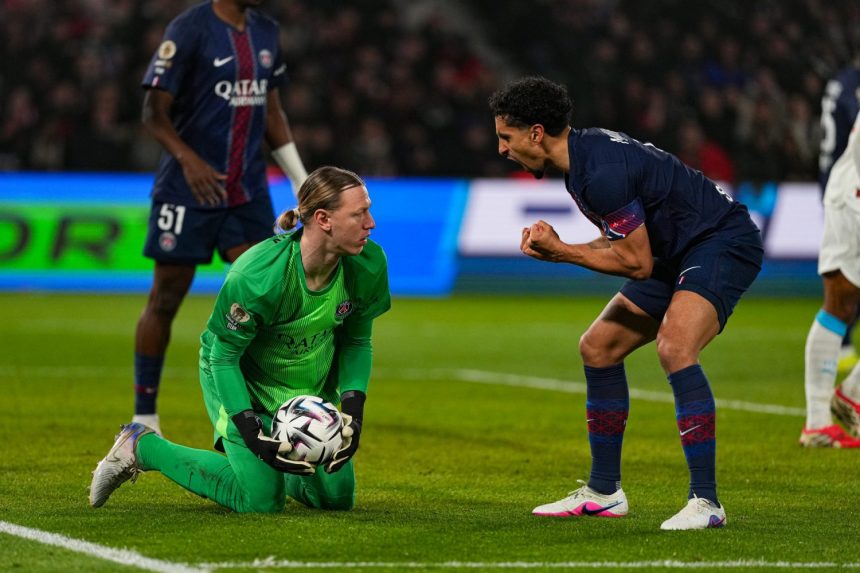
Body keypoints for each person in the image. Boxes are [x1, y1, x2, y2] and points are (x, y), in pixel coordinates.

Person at [489, 76, 764, 530]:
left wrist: (562, 253)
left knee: (675, 347)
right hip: (671, 250)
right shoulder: (584, 160)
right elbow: (620, 241)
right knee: (598, 347)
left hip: (720, 241)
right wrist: (564, 247)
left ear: (535, 133)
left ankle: (707, 502)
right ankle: (603, 492)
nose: (502, 149)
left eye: (506, 136)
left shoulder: (598, 172)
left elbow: (634, 263)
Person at [90, 166, 390, 513]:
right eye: (360, 213)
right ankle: (142, 446)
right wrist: (250, 430)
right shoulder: (258, 276)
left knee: (336, 500)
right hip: (238, 378)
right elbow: (224, 356)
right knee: (260, 502)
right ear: (323, 219)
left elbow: (355, 342)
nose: (371, 223)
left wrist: (353, 412)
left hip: (306, 385)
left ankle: (277, 467)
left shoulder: (369, 264)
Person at [133, 0, 309, 435]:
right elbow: (153, 113)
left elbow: (272, 113)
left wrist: (301, 181)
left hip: (246, 192)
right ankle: (144, 415)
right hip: (187, 189)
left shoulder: (266, 31)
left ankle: (262, 412)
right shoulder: (190, 28)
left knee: (266, 298)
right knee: (166, 298)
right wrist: (188, 160)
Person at [800, 106, 860, 448]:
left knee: (841, 304)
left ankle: (847, 398)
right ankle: (821, 421)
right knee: (839, 302)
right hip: (854, 199)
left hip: (849, 192)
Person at [817, 58, 860, 378]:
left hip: (836, 181)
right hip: (849, 186)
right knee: (843, 283)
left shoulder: (841, 81)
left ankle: (839, 348)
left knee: (844, 280)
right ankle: (838, 348)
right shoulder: (853, 86)